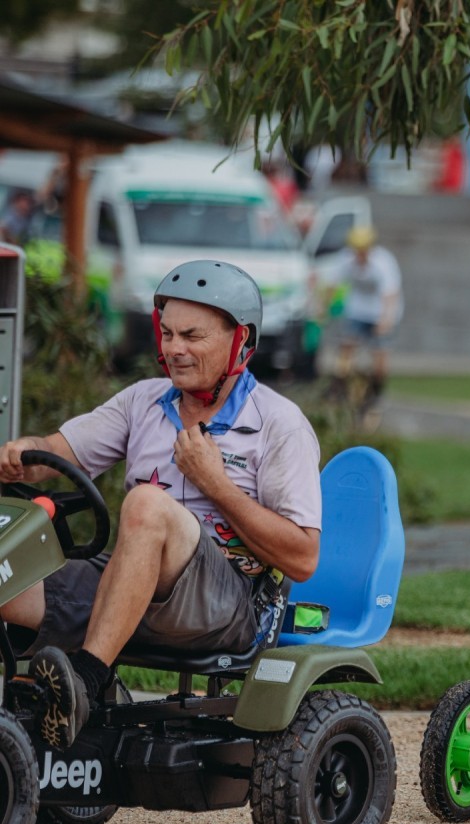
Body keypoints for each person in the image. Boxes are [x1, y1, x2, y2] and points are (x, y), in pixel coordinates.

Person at [0, 261, 321, 752]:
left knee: (148, 504)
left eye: (192, 335)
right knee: (7, 569)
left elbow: (302, 558)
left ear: (240, 340)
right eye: (167, 333)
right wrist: (22, 453)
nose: (174, 349)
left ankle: (83, 683)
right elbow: (55, 453)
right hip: (130, 589)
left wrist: (215, 483)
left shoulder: (280, 425)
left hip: (229, 607)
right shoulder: (144, 401)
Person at [322, 225, 403, 415]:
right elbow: (332, 284)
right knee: (346, 346)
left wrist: (385, 320)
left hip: (381, 311)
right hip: (357, 309)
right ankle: (338, 386)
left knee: (380, 354)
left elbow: (390, 294)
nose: (359, 254)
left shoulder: (383, 262)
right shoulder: (346, 259)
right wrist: (325, 307)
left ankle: (377, 391)